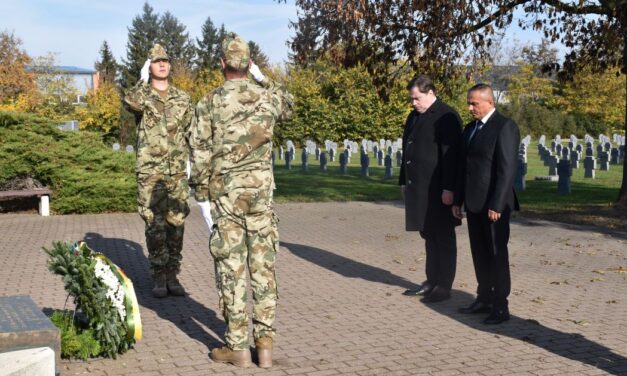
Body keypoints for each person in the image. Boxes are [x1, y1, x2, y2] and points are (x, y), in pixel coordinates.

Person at [189, 32, 292, 368]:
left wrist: (201, 192)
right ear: (249, 63)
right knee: (263, 268)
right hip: (261, 195)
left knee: (232, 269)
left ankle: (237, 347)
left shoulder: (209, 101)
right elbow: (288, 104)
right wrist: (264, 78)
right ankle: (264, 346)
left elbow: (200, 151)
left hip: (227, 196)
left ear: (222, 64)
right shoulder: (267, 97)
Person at [123, 44, 194, 298]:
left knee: (176, 225)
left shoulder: (183, 98)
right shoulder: (143, 97)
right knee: (154, 225)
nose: (162, 64)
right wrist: (142, 80)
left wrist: (196, 167)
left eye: (165, 60)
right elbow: (130, 101)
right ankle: (158, 275)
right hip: (151, 173)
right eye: (156, 61)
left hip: (176, 173)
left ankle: (173, 274)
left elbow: (192, 134)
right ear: (149, 66)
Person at [452, 83, 520, 325]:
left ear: (489, 102)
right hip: (474, 202)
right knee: (480, 253)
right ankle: (484, 297)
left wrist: (497, 204)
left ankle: (501, 305)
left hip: (494, 206)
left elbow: (507, 169)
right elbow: (464, 168)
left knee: (496, 254)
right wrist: (458, 200)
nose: (470, 108)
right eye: (468, 103)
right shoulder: (470, 129)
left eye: (474, 103)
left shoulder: (505, 127)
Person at [399, 76, 462, 303]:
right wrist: (403, 182)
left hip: (439, 190)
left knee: (443, 237)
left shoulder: (446, 116)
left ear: (431, 92)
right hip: (419, 189)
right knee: (428, 235)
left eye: (417, 98)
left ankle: (444, 285)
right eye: (412, 98)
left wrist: (449, 188)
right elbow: (407, 151)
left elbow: (451, 156)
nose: (413, 103)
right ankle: (431, 281)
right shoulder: (415, 116)